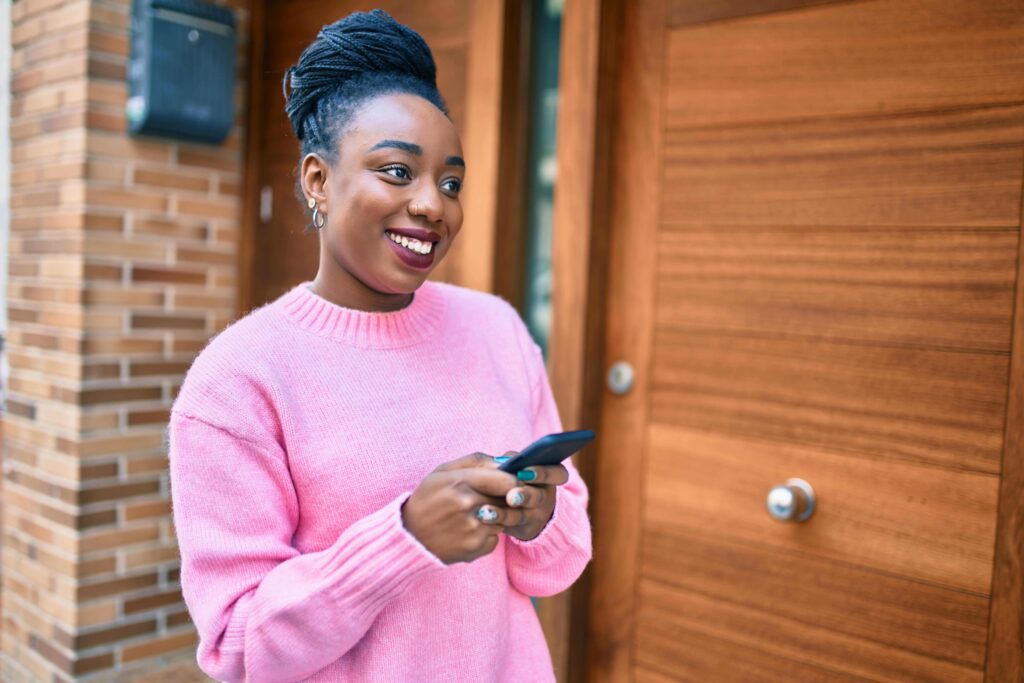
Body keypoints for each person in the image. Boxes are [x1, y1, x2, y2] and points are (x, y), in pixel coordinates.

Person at [167, 9, 592, 682]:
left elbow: (557, 564)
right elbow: (240, 647)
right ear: (317, 181)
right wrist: (406, 538)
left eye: (451, 182)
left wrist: (538, 519)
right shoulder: (238, 379)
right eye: (398, 171)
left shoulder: (498, 330)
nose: (433, 205)